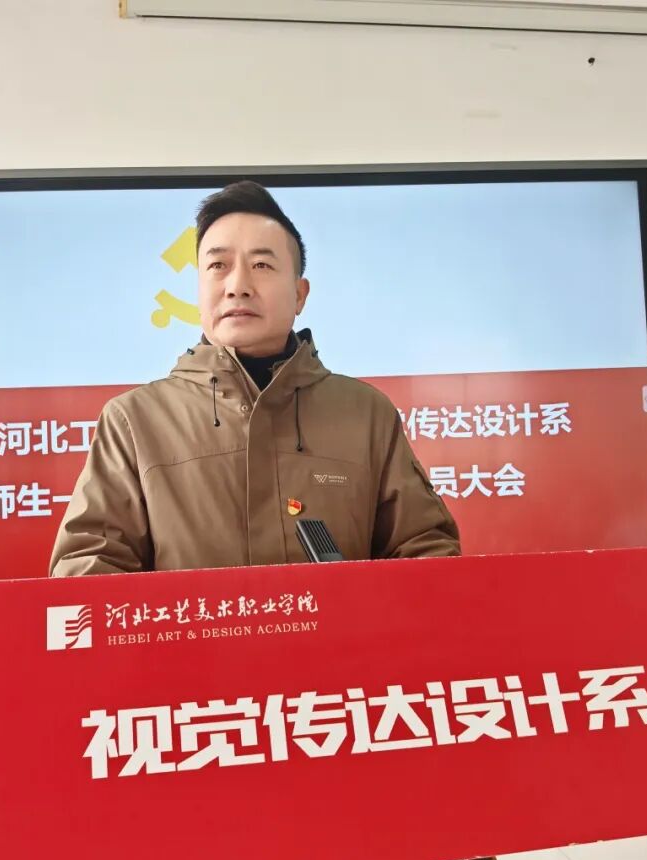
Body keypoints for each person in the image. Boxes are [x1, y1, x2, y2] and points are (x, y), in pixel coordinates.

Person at [49, 180, 459, 575]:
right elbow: (89, 569)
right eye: (218, 266)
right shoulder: (134, 421)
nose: (237, 286)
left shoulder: (367, 414)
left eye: (262, 265)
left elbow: (426, 553)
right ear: (199, 290)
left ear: (300, 294)